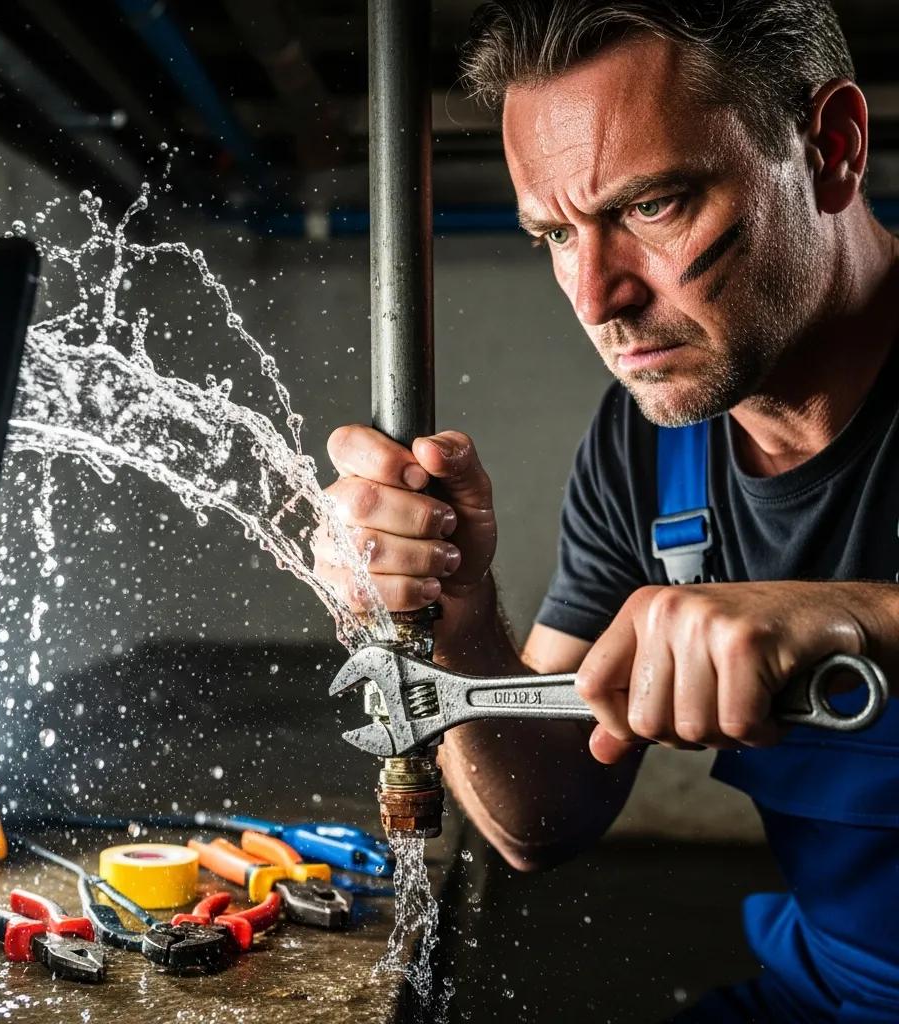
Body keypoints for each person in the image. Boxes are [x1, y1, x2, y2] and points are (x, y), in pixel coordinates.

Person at [317, 1, 899, 1019]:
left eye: (651, 206)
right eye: (552, 234)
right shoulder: (646, 449)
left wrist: (858, 618)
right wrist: (454, 611)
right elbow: (540, 819)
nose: (594, 296)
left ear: (832, 149)